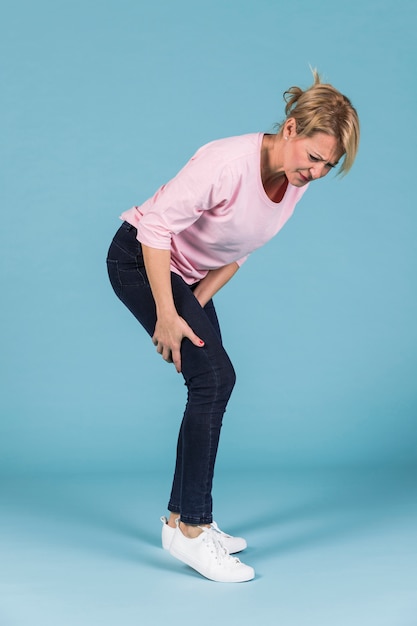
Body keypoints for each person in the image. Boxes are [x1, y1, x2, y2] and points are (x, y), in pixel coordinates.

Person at [106, 70, 360, 583]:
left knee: (213, 379)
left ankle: (180, 520)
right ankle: (194, 531)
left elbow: (242, 248)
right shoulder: (225, 162)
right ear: (291, 129)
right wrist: (168, 314)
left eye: (327, 167)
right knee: (214, 379)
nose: (315, 172)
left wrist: (195, 303)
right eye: (313, 157)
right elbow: (153, 229)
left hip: (187, 276)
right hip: (141, 259)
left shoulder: (292, 182)